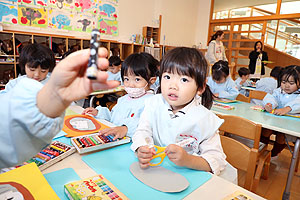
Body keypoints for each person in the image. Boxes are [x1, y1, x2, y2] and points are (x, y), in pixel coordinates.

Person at [0, 48, 119, 168]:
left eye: (43, 70)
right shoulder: (14, 84)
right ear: (23, 65)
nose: (37, 74)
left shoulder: (53, 81)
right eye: (32, 69)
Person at [131, 47, 227, 175]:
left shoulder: (205, 119)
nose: (172, 86)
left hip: (189, 177)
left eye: (184, 80)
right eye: (167, 77)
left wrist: (188, 160)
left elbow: (217, 160)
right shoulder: (153, 103)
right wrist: (141, 148)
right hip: (156, 171)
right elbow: (142, 131)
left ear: (200, 87)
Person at [82, 52, 158, 139]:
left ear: (151, 80)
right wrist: (99, 113)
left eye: (137, 79)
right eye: (126, 79)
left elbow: (149, 126)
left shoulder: (153, 102)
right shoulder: (123, 99)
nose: (130, 84)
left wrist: (126, 128)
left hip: (133, 144)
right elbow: (113, 117)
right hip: (115, 140)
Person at [262, 65, 300, 157]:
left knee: (281, 135)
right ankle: (262, 148)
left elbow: (297, 103)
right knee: (265, 130)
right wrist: (269, 104)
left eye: (291, 83)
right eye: (283, 82)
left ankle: (274, 152)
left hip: (290, 126)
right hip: (274, 122)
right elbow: (271, 97)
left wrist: (287, 109)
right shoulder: (279, 91)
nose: (286, 86)